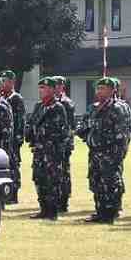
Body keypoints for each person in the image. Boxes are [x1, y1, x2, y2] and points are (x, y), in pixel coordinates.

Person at [76, 77, 128, 224]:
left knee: (110, 182)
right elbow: (83, 127)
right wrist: (89, 137)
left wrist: (117, 154)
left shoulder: (117, 109)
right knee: (96, 182)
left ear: (112, 90)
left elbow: (121, 135)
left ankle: (110, 213)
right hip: (95, 152)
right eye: (98, 88)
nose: (99, 91)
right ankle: (100, 211)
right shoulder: (94, 108)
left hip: (110, 153)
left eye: (103, 88)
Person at [24, 77, 69, 220]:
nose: (41, 91)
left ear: (51, 89)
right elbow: (31, 124)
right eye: (40, 88)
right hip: (39, 150)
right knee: (39, 178)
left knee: (52, 180)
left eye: (44, 88)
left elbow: (60, 131)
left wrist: (41, 133)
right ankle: (43, 209)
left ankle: (52, 210)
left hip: (52, 151)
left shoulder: (57, 107)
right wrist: (30, 133)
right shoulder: (39, 106)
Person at [0, 70, 26, 204]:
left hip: (13, 139)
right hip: (3, 139)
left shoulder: (16, 98)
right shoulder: (1, 98)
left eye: (6, 81)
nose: (3, 83)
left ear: (12, 82)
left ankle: (13, 194)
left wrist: (19, 137)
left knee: (13, 166)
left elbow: (20, 120)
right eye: (2, 80)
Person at [53, 76, 76, 213]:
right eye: (53, 86)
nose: (55, 88)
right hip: (53, 144)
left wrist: (65, 143)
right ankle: (55, 199)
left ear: (62, 87)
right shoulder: (50, 102)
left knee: (63, 172)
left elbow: (69, 126)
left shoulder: (66, 103)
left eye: (57, 86)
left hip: (64, 143)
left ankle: (63, 201)